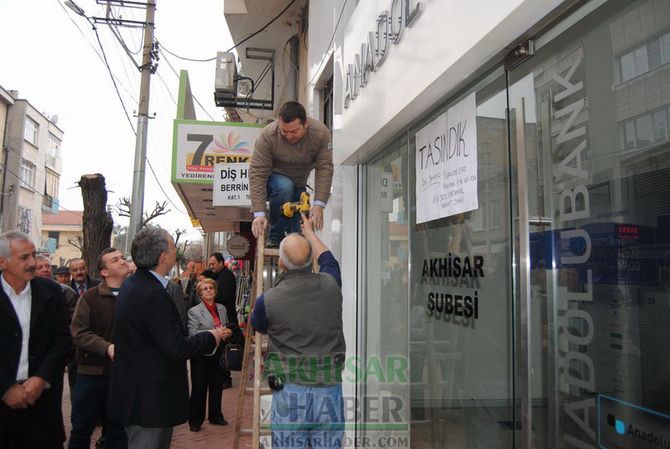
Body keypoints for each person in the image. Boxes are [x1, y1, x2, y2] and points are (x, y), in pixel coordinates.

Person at [108, 227, 228, 449]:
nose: (176, 253)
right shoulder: (152, 293)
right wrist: (211, 336)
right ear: (163, 257)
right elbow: (176, 347)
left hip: (140, 395)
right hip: (149, 401)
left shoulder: (134, 284)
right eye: (173, 248)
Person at [251, 214, 345, 449]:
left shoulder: (268, 300)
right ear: (309, 260)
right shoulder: (330, 285)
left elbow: (259, 325)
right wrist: (310, 232)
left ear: (281, 264)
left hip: (291, 391)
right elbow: (328, 259)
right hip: (328, 388)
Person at [0, 231, 72, 448]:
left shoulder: (50, 292)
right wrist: (6, 387)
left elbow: (62, 340)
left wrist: (41, 378)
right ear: (2, 262)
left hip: (42, 404)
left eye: (33, 255)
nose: (33, 262)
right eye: (24, 258)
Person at [69, 248, 130, 449]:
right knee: (82, 428)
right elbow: (79, 332)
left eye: (122, 257)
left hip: (122, 376)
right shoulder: (90, 298)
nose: (122, 261)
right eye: (115, 260)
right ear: (104, 272)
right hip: (91, 375)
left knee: (118, 431)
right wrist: (107, 347)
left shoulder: (134, 296)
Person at [249, 101, 333, 247]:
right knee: (284, 186)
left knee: (299, 238)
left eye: (294, 132)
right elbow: (257, 173)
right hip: (275, 183)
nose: (289, 136)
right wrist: (259, 213)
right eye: (284, 131)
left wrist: (319, 204)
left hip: (299, 184)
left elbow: (325, 167)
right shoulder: (268, 135)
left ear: (305, 124)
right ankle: (275, 236)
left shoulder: (320, 134)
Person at [187, 278, 232, 432]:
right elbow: (192, 334)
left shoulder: (222, 309)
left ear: (215, 290)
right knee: (199, 388)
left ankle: (215, 416)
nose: (208, 290)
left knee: (216, 386)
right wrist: (214, 333)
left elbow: (225, 326)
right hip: (201, 355)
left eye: (211, 288)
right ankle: (195, 420)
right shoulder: (194, 311)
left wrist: (227, 331)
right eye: (205, 289)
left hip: (218, 353)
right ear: (200, 293)